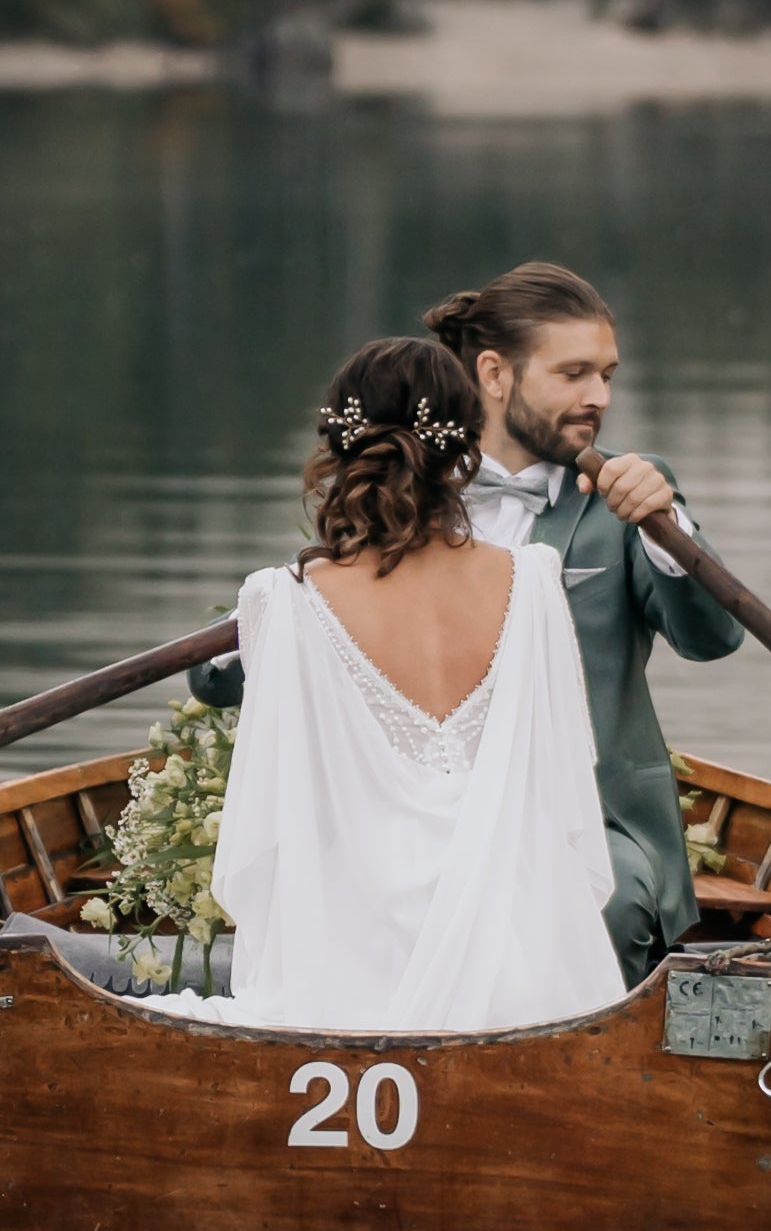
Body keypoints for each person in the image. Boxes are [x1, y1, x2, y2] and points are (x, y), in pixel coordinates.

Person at [191, 261, 737, 984]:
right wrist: (272, 615)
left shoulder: (626, 495)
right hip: (398, 819)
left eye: (607, 375)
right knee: (348, 894)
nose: (599, 397)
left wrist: (668, 528)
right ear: (494, 372)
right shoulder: (395, 493)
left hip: (588, 817)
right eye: (574, 373)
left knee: (586, 903)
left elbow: (712, 638)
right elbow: (223, 678)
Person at [153, 333, 628, 1034]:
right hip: (523, 969)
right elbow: (559, 795)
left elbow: (275, 820)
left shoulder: (282, 599)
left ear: (338, 447)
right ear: (466, 448)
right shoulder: (533, 580)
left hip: (348, 966)